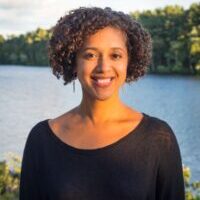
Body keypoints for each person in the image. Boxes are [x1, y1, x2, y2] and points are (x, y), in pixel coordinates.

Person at [19, 7, 185, 200]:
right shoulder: (41, 140)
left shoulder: (158, 138)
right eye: (90, 55)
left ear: (129, 61)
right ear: (73, 61)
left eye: (115, 55)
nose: (104, 67)